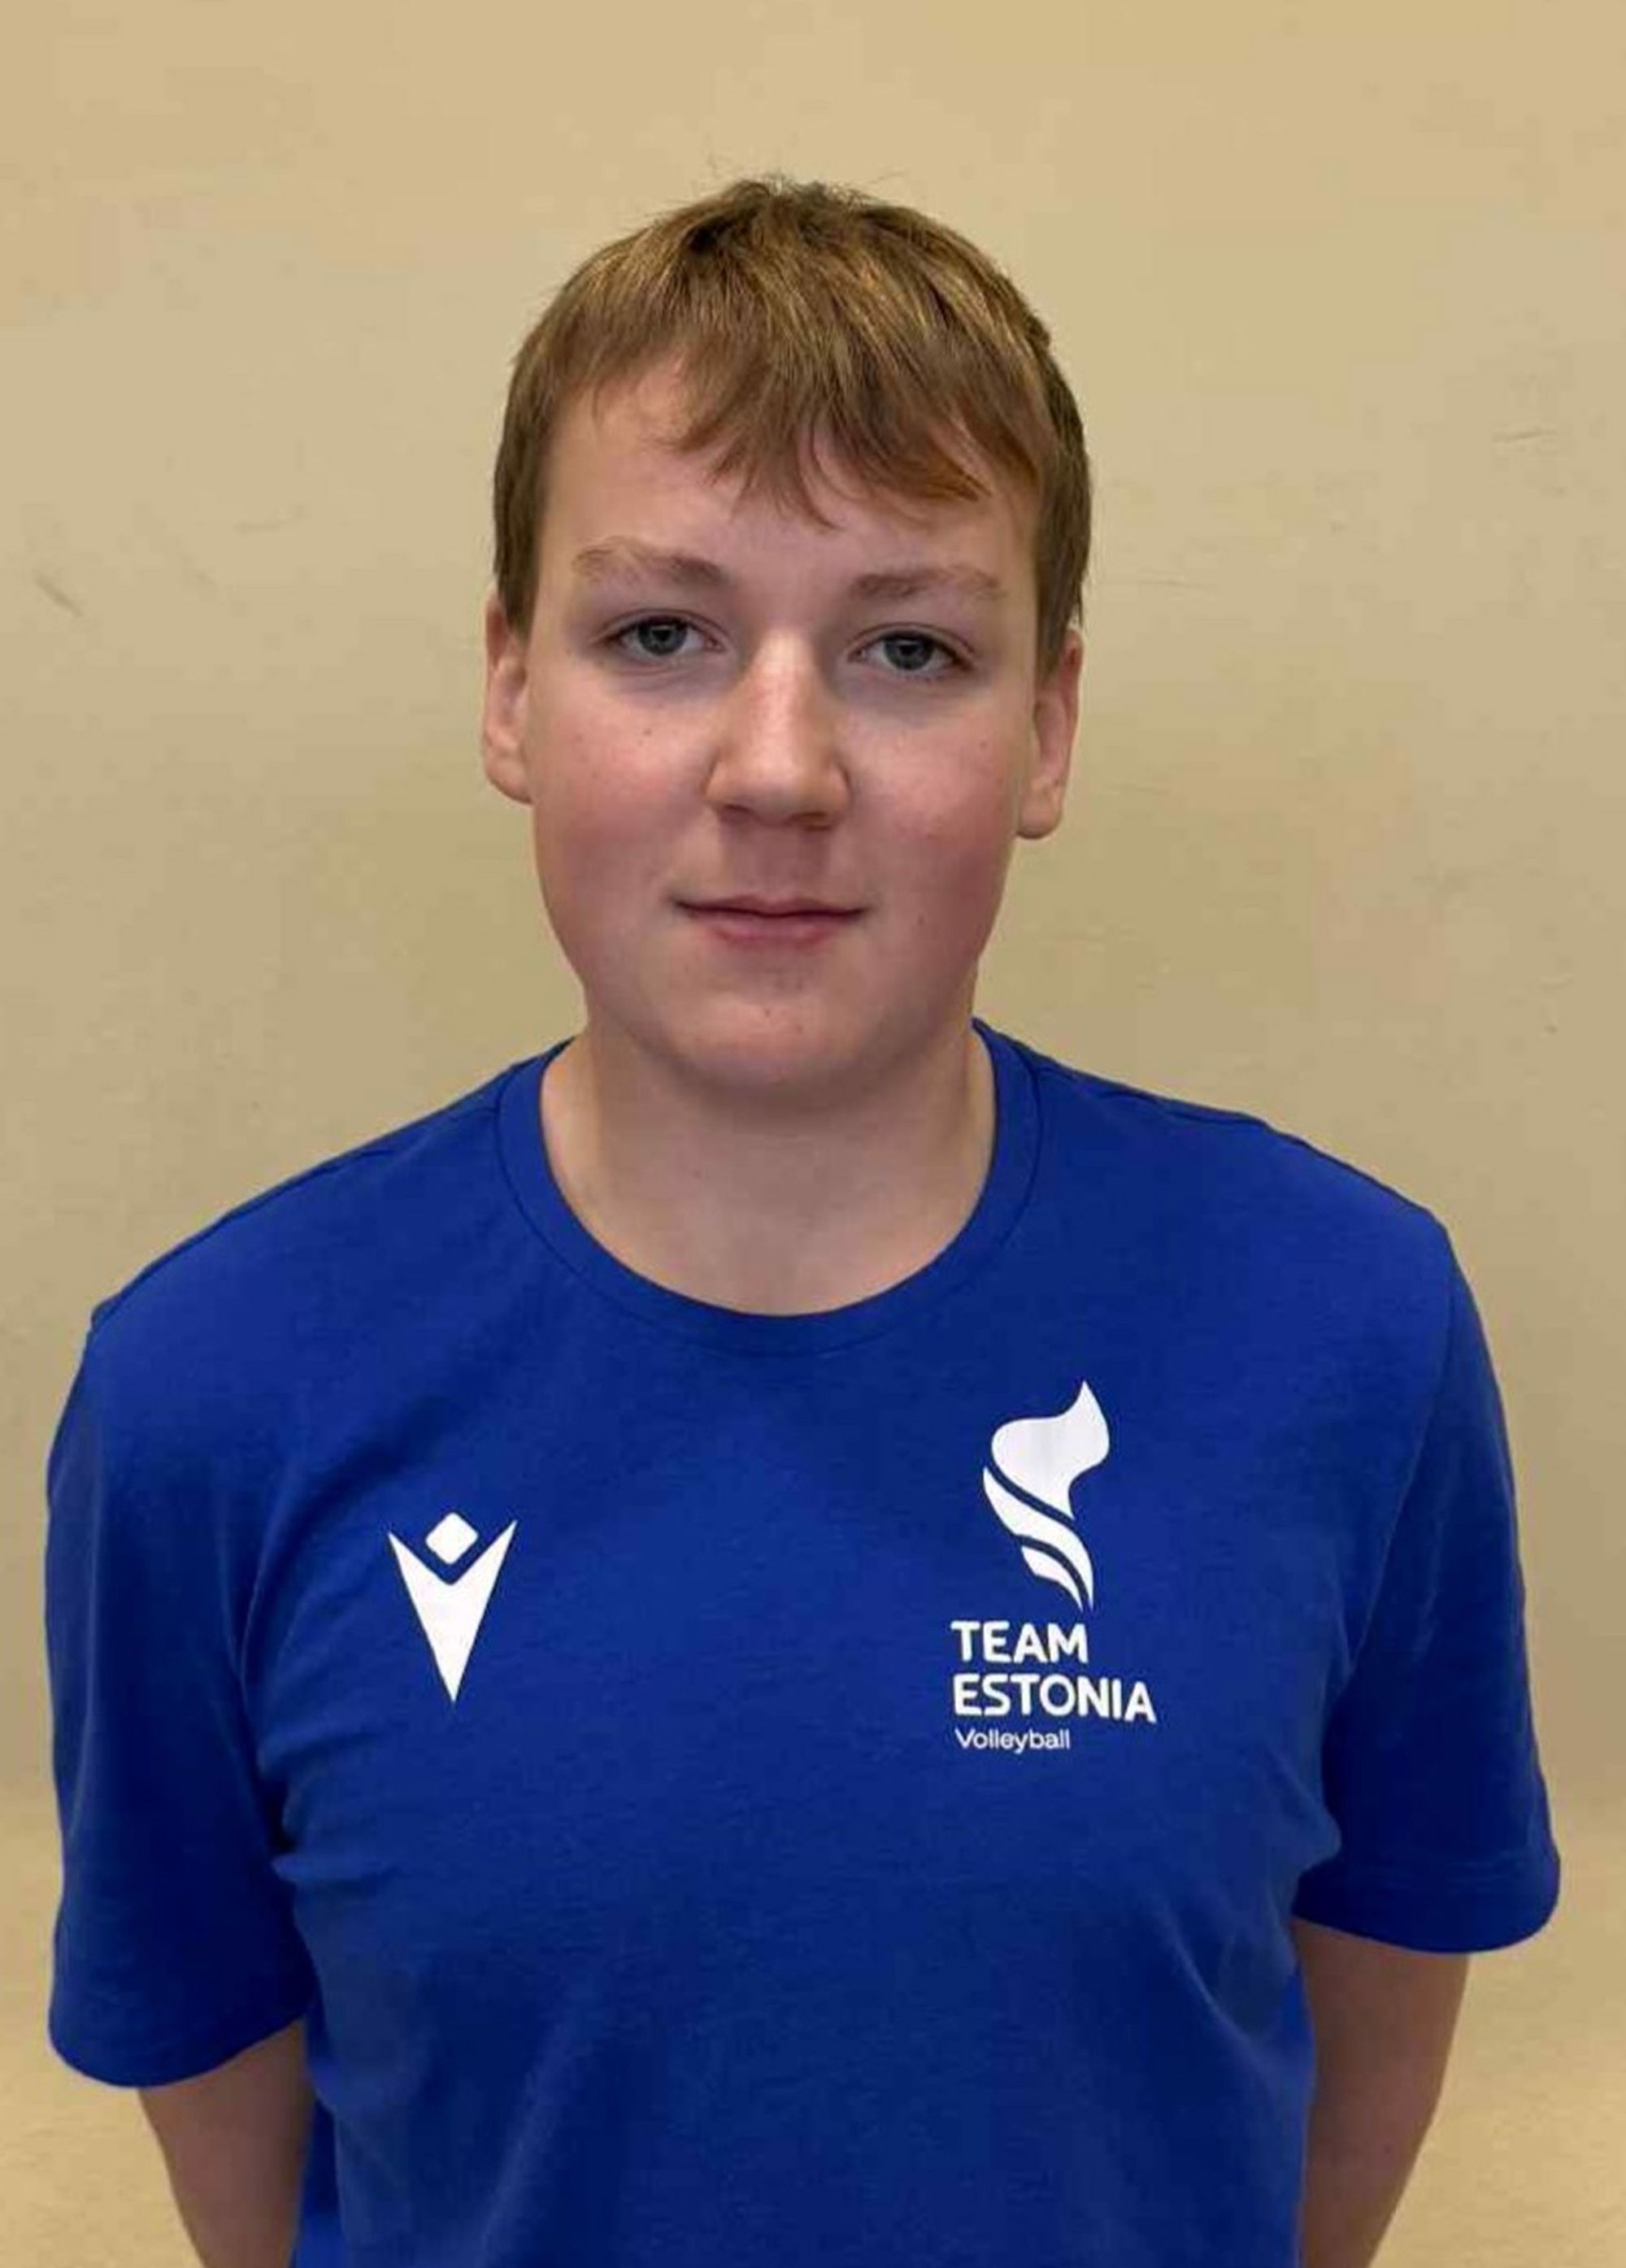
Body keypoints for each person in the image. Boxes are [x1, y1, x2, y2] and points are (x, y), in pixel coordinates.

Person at [42, 172, 1561, 2268]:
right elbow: (250, 2154)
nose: (780, 769)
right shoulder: (208, 1398)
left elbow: (1366, 2018)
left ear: (1047, 727)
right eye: (659, 636)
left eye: (908, 648)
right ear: (510, 690)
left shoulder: (1347, 1330)